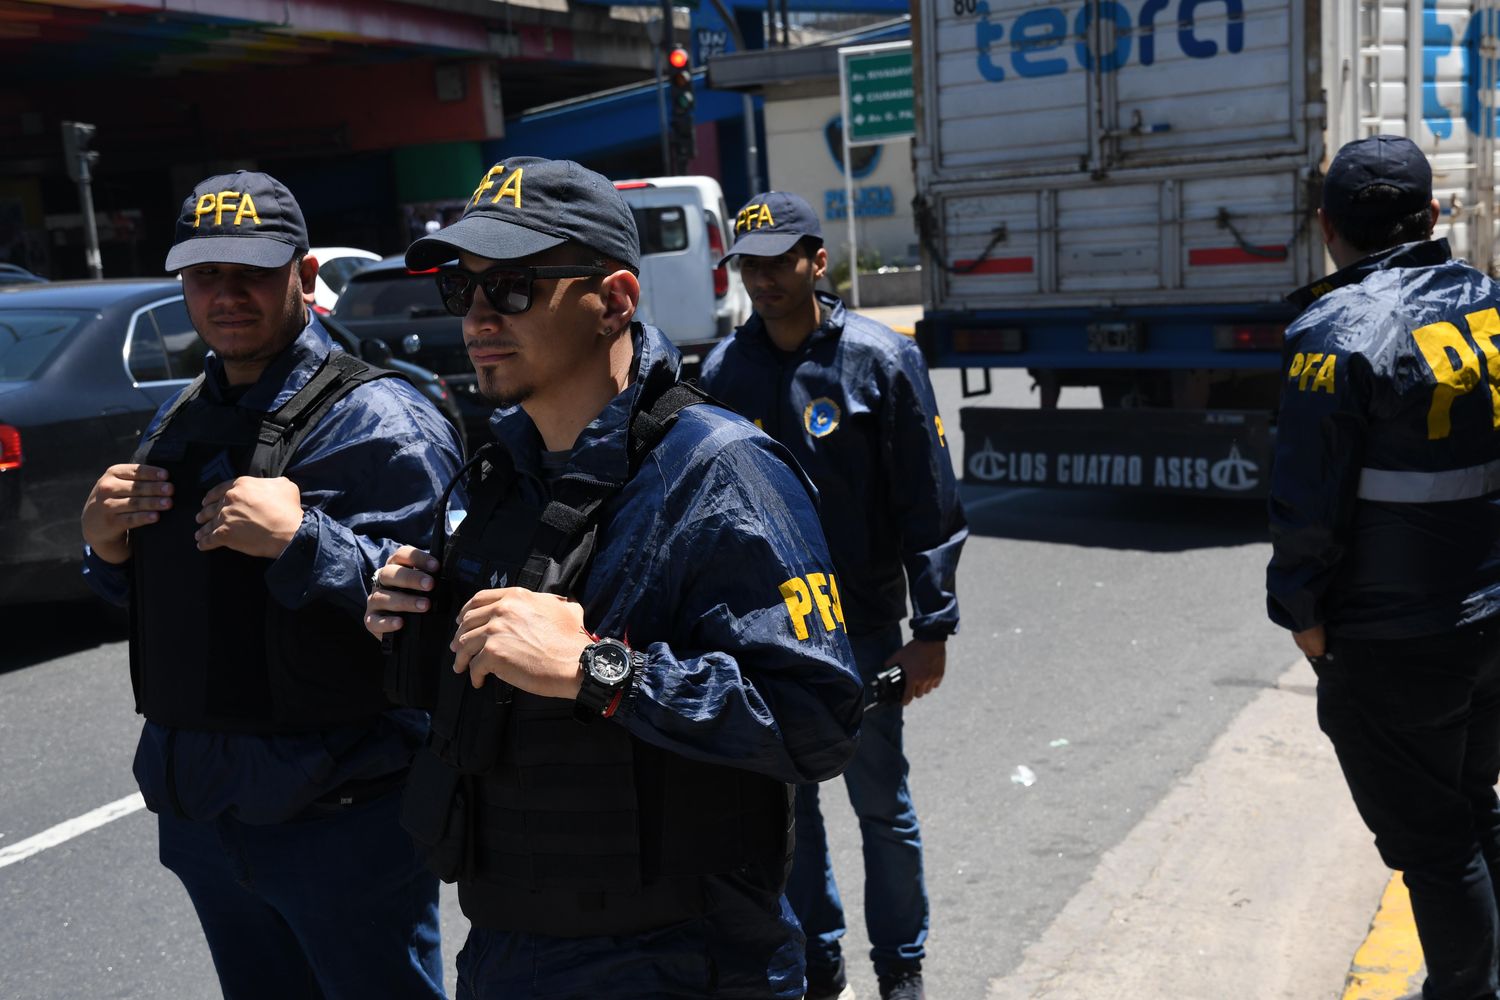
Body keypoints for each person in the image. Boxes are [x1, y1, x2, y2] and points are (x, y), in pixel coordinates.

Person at [363, 156, 865, 1000]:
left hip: (681, 963)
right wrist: (418, 620)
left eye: (514, 288)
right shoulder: (504, 474)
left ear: (617, 300)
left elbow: (816, 720)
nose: (479, 316)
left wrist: (601, 670)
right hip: (508, 944)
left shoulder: (722, 470)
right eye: (465, 289)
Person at [79, 170, 462, 999]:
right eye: (205, 275)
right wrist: (105, 551)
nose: (227, 295)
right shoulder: (178, 417)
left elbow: (444, 610)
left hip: (340, 817)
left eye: (251, 271)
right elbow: (159, 603)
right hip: (205, 814)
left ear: (307, 275)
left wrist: (302, 540)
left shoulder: (378, 419)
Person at [698, 191, 967, 1000]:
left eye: (782, 260)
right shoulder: (720, 373)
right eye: (751, 264)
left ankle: (901, 968)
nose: (766, 278)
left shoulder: (880, 360)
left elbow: (929, 500)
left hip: (865, 632)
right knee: (790, 816)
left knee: (881, 806)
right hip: (764, 638)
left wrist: (934, 626)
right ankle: (820, 965)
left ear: (818, 260)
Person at [1267, 134, 1500, 1000]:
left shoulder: (1332, 333)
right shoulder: (1491, 303)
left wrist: (1302, 615)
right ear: (1432, 214)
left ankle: (1465, 990)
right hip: (1487, 619)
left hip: (1396, 636)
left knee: (1434, 844)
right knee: (1473, 808)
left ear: (1328, 227)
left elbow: (1306, 504)